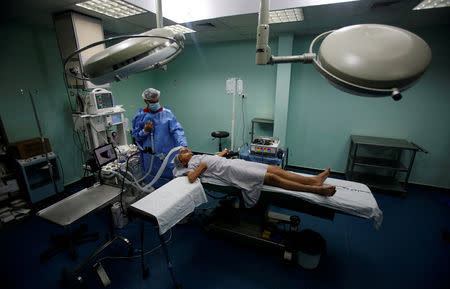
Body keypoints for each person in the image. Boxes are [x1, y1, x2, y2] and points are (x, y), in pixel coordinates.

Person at [173, 147, 336, 208]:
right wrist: (202, 166)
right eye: (182, 155)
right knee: (272, 178)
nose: (185, 152)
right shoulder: (192, 165)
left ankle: (314, 180)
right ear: (183, 163)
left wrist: (222, 153)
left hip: (234, 163)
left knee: (275, 169)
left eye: (183, 151)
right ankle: (315, 190)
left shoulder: (197, 156)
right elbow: (192, 178)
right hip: (231, 171)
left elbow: (212, 159)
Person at [132, 88, 187, 186]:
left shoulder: (167, 113)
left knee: (170, 181)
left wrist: (183, 146)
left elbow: (177, 130)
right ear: (146, 101)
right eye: (152, 102)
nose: (156, 103)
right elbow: (136, 137)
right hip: (150, 157)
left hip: (167, 154)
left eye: (157, 101)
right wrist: (145, 131)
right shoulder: (140, 116)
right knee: (152, 181)